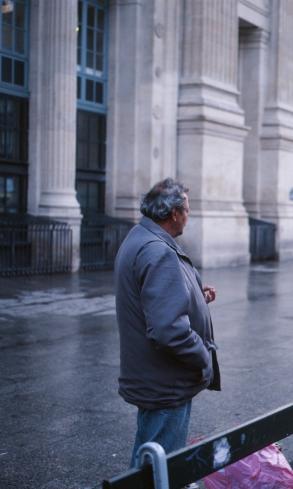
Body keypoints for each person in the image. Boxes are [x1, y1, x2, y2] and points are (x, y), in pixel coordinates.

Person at [115, 178, 220, 467]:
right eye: (186, 209)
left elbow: (153, 299)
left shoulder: (140, 237)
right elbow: (168, 329)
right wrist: (202, 356)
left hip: (153, 376)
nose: (189, 215)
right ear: (174, 213)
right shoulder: (158, 250)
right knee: (161, 469)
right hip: (166, 381)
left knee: (148, 458)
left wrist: (194, 297)